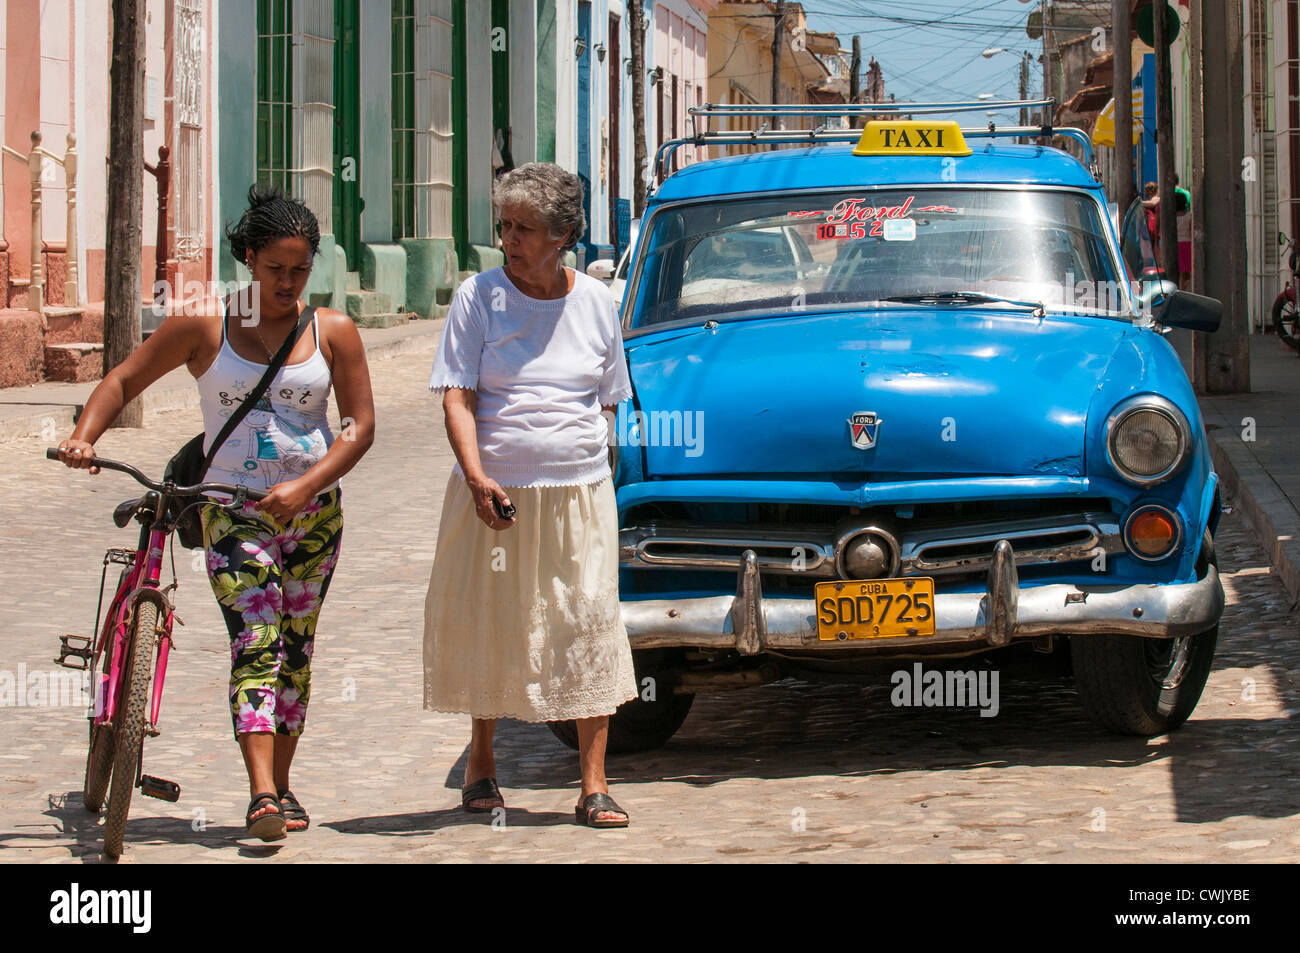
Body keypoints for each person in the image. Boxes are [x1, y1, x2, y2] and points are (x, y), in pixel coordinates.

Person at [56, 185, 376, 841]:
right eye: (274, 269)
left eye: (300, 270)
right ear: (249, 260)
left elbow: (359, 426)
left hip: (315, 520)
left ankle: (282, 784)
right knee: (256, 642)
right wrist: (85, 434)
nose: (287, 283)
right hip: (233, 514)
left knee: (296, 649)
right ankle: (260, 793)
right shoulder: (204, 328)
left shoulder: (334, 332)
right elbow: (122, 380)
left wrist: (305, 485)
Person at [423, 161, 638, 828]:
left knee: (588, 619)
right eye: (504, 226)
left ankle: (594, 783)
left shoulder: (598, 303)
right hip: (492, 495)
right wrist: (479, 474)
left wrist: (576, 453)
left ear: (565, 234)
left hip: (578, 494)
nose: (510, 239)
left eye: (525, 228)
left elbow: (609, 399)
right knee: (494, 618)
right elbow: (456, 394)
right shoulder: (476, 297)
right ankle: (483, 762)